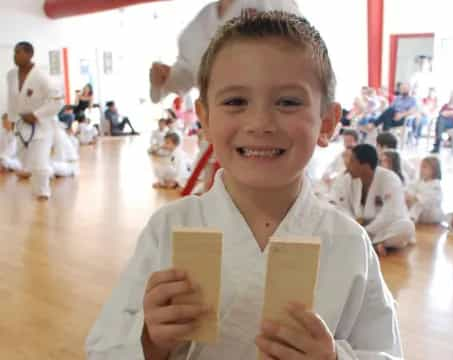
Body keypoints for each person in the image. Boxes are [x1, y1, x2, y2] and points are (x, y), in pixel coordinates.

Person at [86, 12, 402, 359]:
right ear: (204, 120)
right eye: (236, 101)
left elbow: (385, 351)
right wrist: (149, 340)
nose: (260, 123)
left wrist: (334, 358)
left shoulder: (349, 243)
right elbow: (104, 347)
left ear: (327, 123)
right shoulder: (170, 228)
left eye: (288, 102)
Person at [149, 0, 300, 103]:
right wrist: (164, 79)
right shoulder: (199, 23)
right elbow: (187, 74)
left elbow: (303, 51)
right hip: (221, 121)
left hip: (269, 112)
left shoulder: (274, 3)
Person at [332, 144, 415, 257]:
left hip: (384, 227)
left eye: (352, 161)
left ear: (365, 166)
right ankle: (372, 244)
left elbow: (390, 214)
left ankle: (367, 243)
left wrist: (366, 231)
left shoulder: (389, 179)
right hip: (358, 225)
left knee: (407, 227)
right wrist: (354, 226)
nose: (348, 165)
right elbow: (341, 206)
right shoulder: (348, 179)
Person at [6, 41, 63, 200]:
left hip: (42, 125)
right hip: (21, 124)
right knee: (27, 161)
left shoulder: (42, 76)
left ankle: (42, 194)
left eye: (19, 52)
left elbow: (57, 102)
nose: (15, 56)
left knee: (39, 161)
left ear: (30, 54)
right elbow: (11, 100)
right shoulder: (11, 75)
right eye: (14, 52)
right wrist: (10, 120)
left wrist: (36, 115)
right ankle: (47, 171)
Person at [406, 156, 443, 224]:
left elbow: (427, 199)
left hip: (431, 213)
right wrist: (408, 196)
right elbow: (411, 188)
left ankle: (411, 219)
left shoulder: (436, 184)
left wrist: (414, 198)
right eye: (421, 167)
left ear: (434, 170)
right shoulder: (419, 181)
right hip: (420, 213)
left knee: (419, 203)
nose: (421, 169)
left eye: (424, 167)